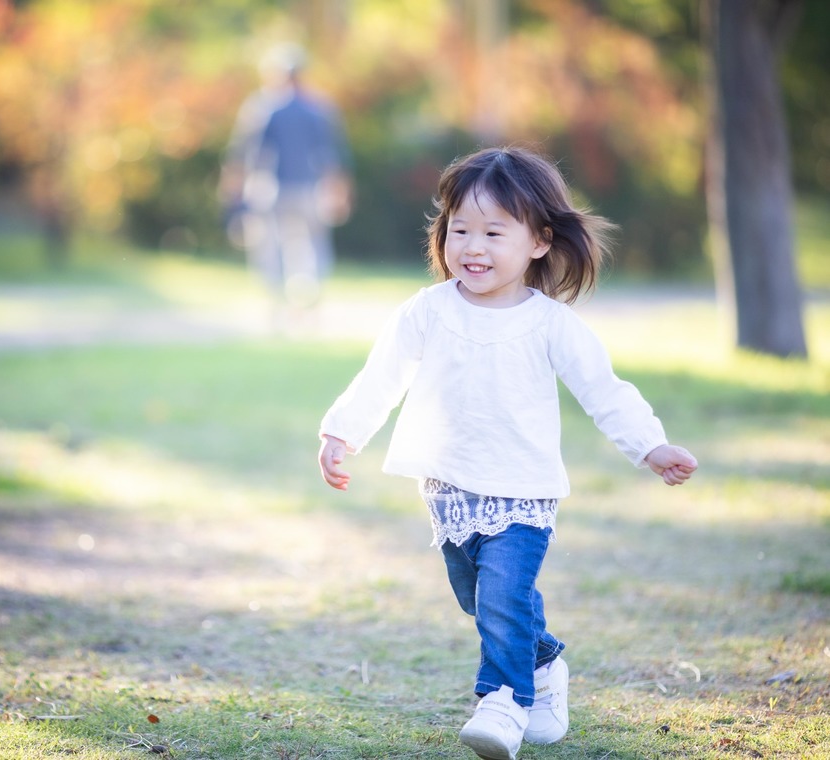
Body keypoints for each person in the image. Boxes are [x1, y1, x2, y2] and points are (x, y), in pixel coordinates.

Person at [316, 146, 697, 760]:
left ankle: (504, 702)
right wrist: (342, 433)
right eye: (459, 229)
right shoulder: (427, 311)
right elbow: (380, 378)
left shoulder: (550, 324)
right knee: (477, 598)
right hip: (449, 486)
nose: (473, 247)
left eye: (494, 232)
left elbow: (604, 390)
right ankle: (544, 661)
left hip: (522, 487)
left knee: (502, 596)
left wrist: (650, 446)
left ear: (540, 242)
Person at [219, 43, 352, 323]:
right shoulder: (319, 108)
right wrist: (338, 192)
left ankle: (276, 303)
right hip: (309, 189)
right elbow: (331, 157)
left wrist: (234, 192)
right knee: (312, 246)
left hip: (270, 188)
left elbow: (243, 155)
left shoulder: (262, 107)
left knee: (271, 247)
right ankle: (308, 303)